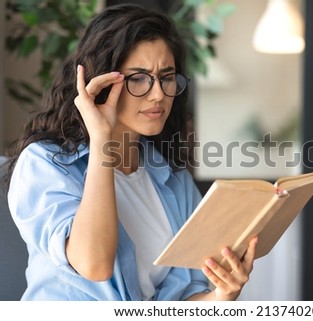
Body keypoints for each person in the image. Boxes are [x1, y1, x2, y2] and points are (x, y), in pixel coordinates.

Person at [3, 3, 257, 301]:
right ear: (102, 82)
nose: (159, 93)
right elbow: (93, 264)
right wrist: (101, 139)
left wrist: (222, 295)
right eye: (138, 78)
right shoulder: (45, 163)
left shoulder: (173, 179)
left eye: (167, 76)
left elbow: (176, 302)